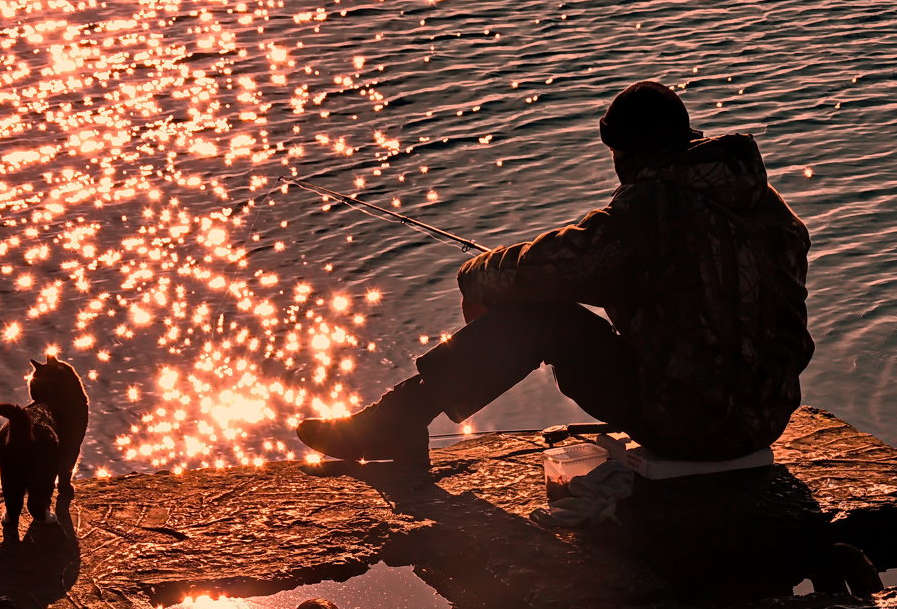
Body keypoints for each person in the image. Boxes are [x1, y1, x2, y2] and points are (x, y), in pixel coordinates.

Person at [296, 81, 814, 467]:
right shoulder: (768, 208)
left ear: (625, 153)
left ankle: (394, 422)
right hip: (765, 418)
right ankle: (396, 421)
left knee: (541, 316)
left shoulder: (651, 208)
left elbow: (551, 267)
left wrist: (477, 277)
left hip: (690, 426)